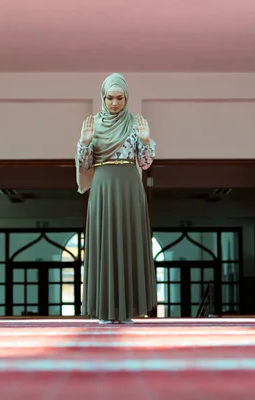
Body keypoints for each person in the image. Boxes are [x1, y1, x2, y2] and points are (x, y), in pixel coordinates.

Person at [75, 73, 157, 324]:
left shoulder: (135, 123)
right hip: (103, 186)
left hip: (130, 186)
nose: (114, 103)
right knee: (105, 244)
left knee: (128, 242)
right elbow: (86, 164)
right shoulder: (94, 124)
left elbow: (143, 164)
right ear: (103, 97)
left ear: (126, 98)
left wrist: (145, 141)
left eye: (119, 98)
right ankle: (104, 310)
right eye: (109, 98)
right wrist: (85, 143)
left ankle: (127, 310)